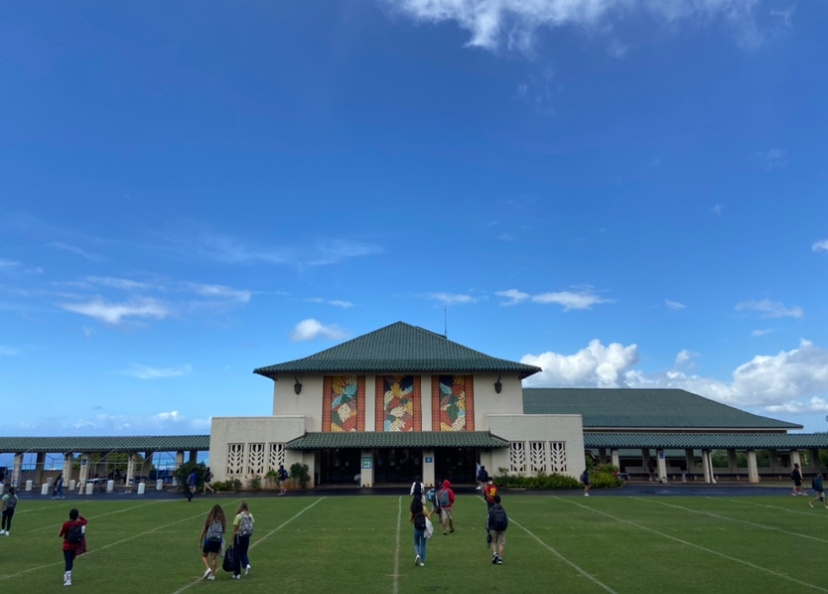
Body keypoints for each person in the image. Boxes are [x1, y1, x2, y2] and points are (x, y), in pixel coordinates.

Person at [59, 508, 88, 586]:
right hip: (75, 546)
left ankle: (68, 580)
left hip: (67, 546)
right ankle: (67, 576)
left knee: (68, 562)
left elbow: (60, 534)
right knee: (71, 561)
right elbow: (86, 521)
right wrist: (81, 516)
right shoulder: (80, 523)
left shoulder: (66, 524)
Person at [199, 504, 226, 581]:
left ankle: (208, 569)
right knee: (214, 558)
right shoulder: (222, 520)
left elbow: (203, 531)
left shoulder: (209, 519)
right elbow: (224, 531)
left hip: (209, 540)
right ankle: (213, 575)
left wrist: (200, 542)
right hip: (217, 541)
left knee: (204, 556)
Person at [231, 501, 254, 580]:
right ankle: (247, 564)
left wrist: (232, 539)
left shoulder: (238, 516)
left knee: (236, 554)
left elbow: (235, 529)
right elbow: (252, 523)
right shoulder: (250, 515)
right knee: (244, 552)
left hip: (239, 536)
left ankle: (237, 573)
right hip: (247, 536)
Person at [409, 497, 432, 567]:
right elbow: (429, 517)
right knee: (423, 545)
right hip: (424, 528)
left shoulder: (413, 509)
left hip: (416, 528)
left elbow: (410, 519)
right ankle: (422, 562)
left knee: (416, 543)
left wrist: (414, 520)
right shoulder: (424, 508)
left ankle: (417, 554)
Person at [486, 495, 508, 565]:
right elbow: (506, 520)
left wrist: (488, 529)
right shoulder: (503, 509)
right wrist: (504, 528)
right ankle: (500, 559)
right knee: (501, 543)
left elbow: (488, 519)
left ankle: (495, 554)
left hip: (493, 528)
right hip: (501, 528)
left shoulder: (492, 509)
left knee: (493, 541)